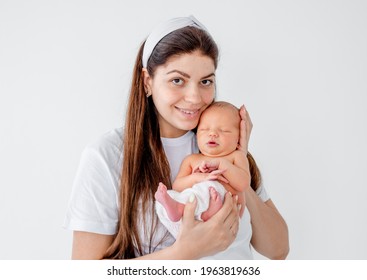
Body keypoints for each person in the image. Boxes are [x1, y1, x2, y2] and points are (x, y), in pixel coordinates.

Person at [64, 15, 289, 260]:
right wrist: (184, 253)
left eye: (205, 81)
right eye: (177, 80)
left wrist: (239, 161)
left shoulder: (218, 145)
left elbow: (278, 249)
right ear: (147, 81)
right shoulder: (107, 156)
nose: (194, 97)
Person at [155, 101, 250, 238]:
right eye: (204, 129)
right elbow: (178, 185)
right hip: (193, 217)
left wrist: (221, 164)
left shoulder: (236, 157)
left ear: (238, 138)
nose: (212, 134)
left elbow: (243, 184)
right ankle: (177, 209)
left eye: (223, 130)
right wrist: (199, 177)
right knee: (174, 196)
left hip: (226, 216)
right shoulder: (192, 160)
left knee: (212, 188)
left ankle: (210, 211)